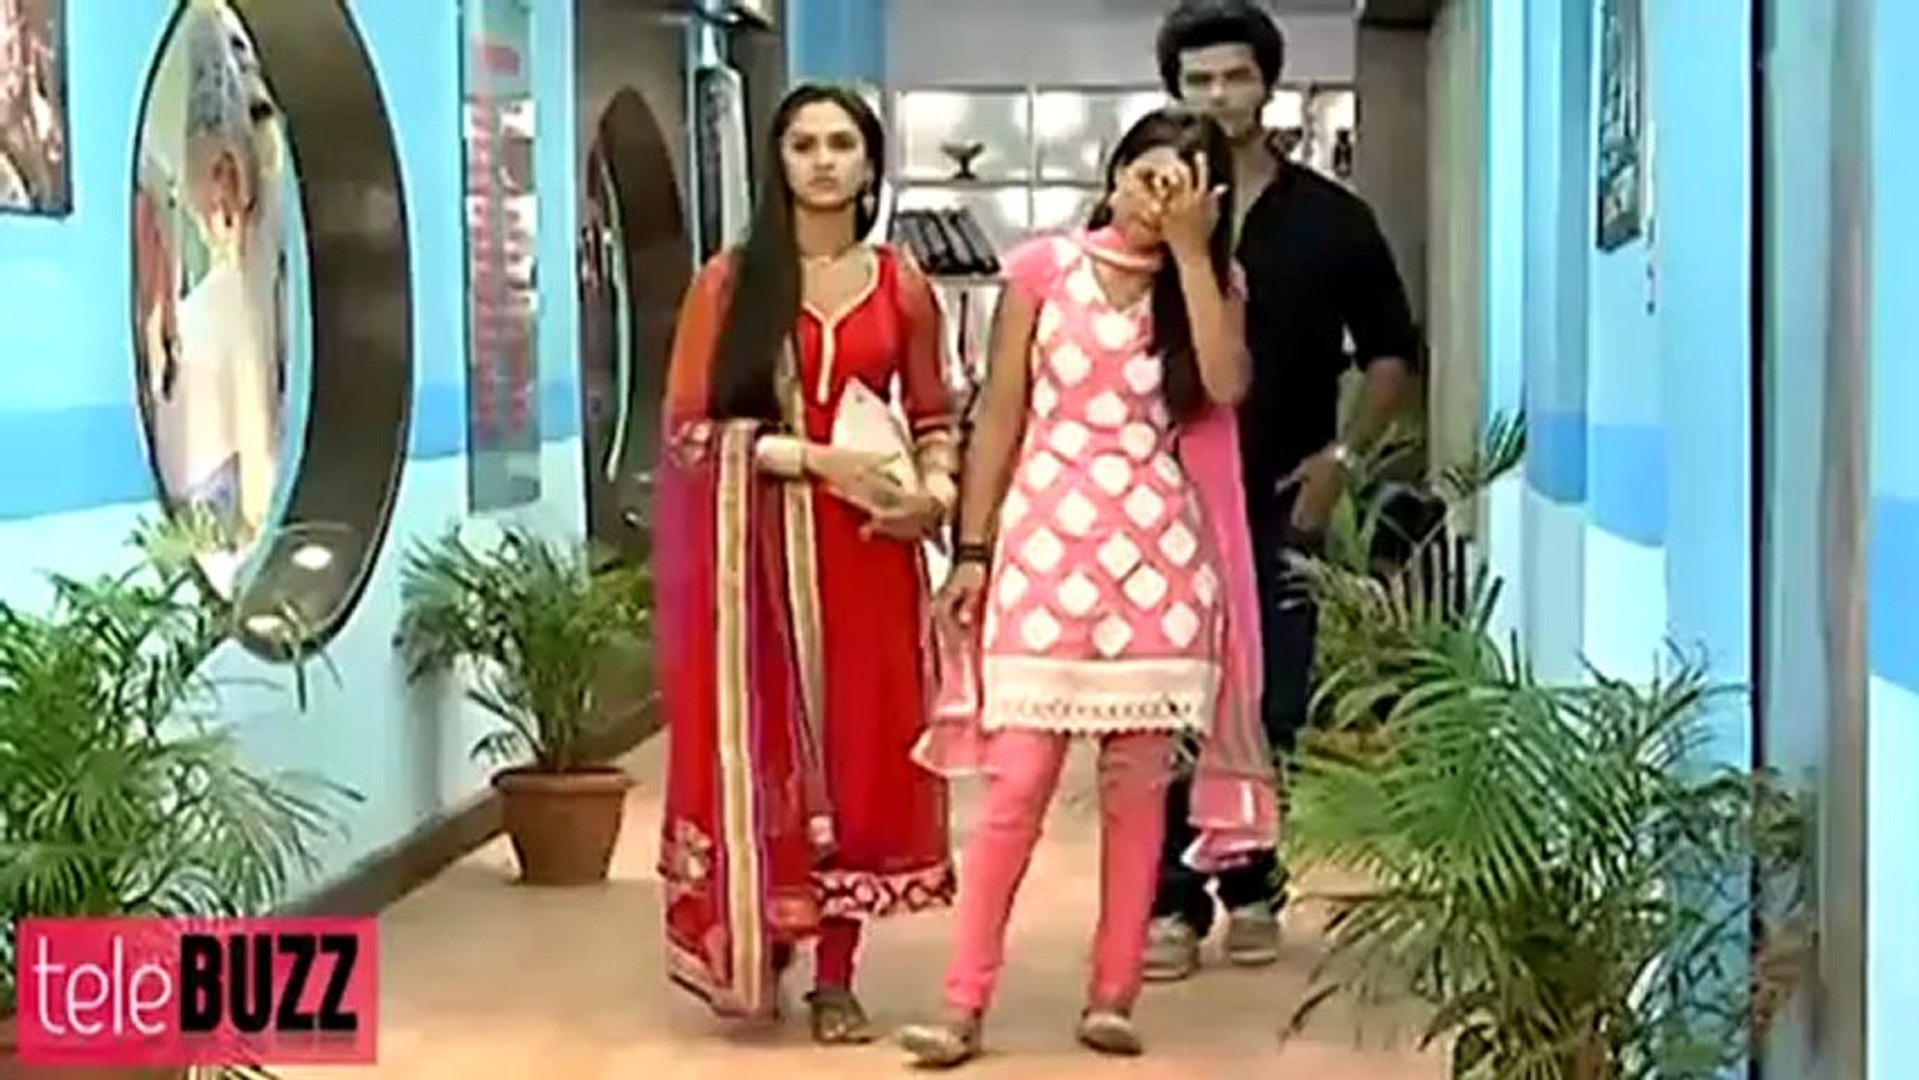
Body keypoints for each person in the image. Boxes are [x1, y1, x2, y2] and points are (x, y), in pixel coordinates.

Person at [896, 107, 1276, 1067]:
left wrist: (1191, 254)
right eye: (1146, 178)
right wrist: (971, 550)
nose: (1156, 200)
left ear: (1208, 200)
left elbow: (1223, 385)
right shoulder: (1041, 270)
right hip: (1043, 546)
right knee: (1017, 784)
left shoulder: (1211, 284)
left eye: (1180, 187)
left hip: (1158, 559)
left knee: (1135, 793)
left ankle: (1113, 995)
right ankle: (961, 1004)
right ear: (1113, 176)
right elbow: (999, 417)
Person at [653, 83, 959, 1044]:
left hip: (868, 553)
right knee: (768, 749)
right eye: (802, 145)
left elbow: (935, 416)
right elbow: (687, 433)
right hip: (752, 562)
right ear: (776, 162)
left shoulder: (902, 285)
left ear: (869, 165)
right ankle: (765, 932)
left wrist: (934, 495)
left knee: (857, 753)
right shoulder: (727, 285)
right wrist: (813, 459)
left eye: (841, 145)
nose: (823, 161)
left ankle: (836, 973)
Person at [1144, 0, 1420, 981]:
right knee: (1168, 697)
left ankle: (1253, 881)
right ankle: (1169, 900)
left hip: (1280, 492)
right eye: (1199, 80)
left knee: (1274, 696)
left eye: (1235, 77)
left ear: (1266, 84)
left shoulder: (1331, 220)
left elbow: (1390, 352)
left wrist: (1341, 457)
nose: (1218, 96)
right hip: (1160, 500)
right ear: (1174, 90)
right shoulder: (1143, 213)